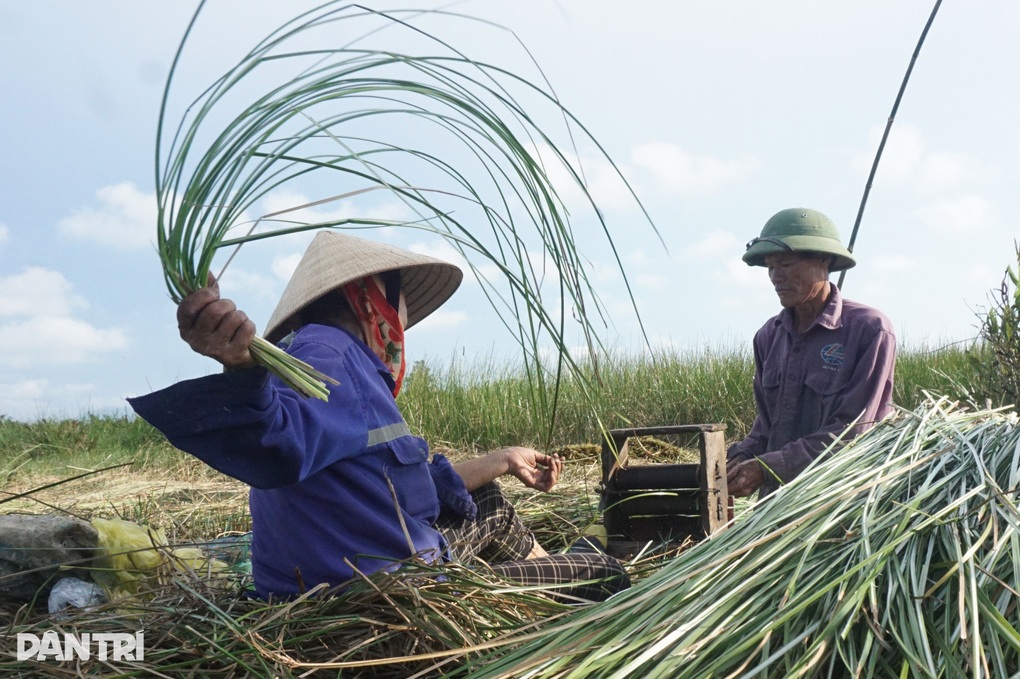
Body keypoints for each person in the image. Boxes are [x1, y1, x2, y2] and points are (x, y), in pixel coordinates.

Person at [129, 231, 629, 602]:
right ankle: (564, 588)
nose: (405, 320)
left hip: (344, 580)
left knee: (489, 504)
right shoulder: (328, 354)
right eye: (402, 301)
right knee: (606, 573)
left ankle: (546, 583)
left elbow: (403, 492)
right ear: (374, 298)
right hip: (383, 598)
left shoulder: (337, 361)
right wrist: (238, 370)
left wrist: (502, 458)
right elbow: (278, 443)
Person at [725, 207, 896, 499]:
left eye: (787, 264)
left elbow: (853, 432)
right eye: (770, 267)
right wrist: (742, 456)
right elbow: (767, 426)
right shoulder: (768, 337)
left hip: (843, 505)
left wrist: (767, 467)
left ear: (824, 260)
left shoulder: (869, 330)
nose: (776, 277)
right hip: (778, 504)